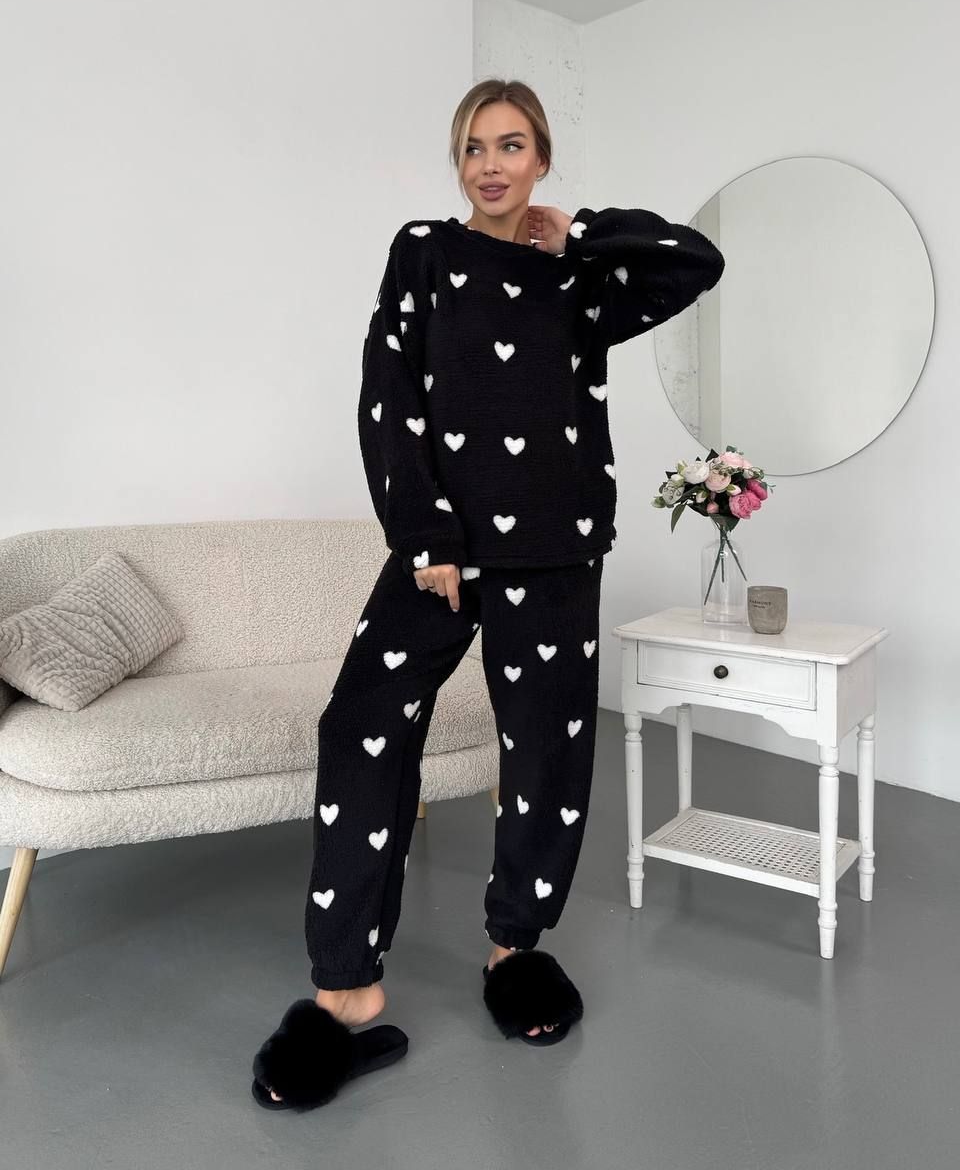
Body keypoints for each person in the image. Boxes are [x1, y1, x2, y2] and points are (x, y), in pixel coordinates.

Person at [251, 78, 725, 1111]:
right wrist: (424, 532)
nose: (491, 164)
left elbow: (695, 261)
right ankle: (344, 987)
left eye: (512, 145)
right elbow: (389, 392)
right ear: (457, 163)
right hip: (445, 551)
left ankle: (517, 947)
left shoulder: (580, 278)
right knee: (362, 726)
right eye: (474, 147)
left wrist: (580, 232)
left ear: (542, 159)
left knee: (546, 747)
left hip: (556, 548)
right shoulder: (424, 252)